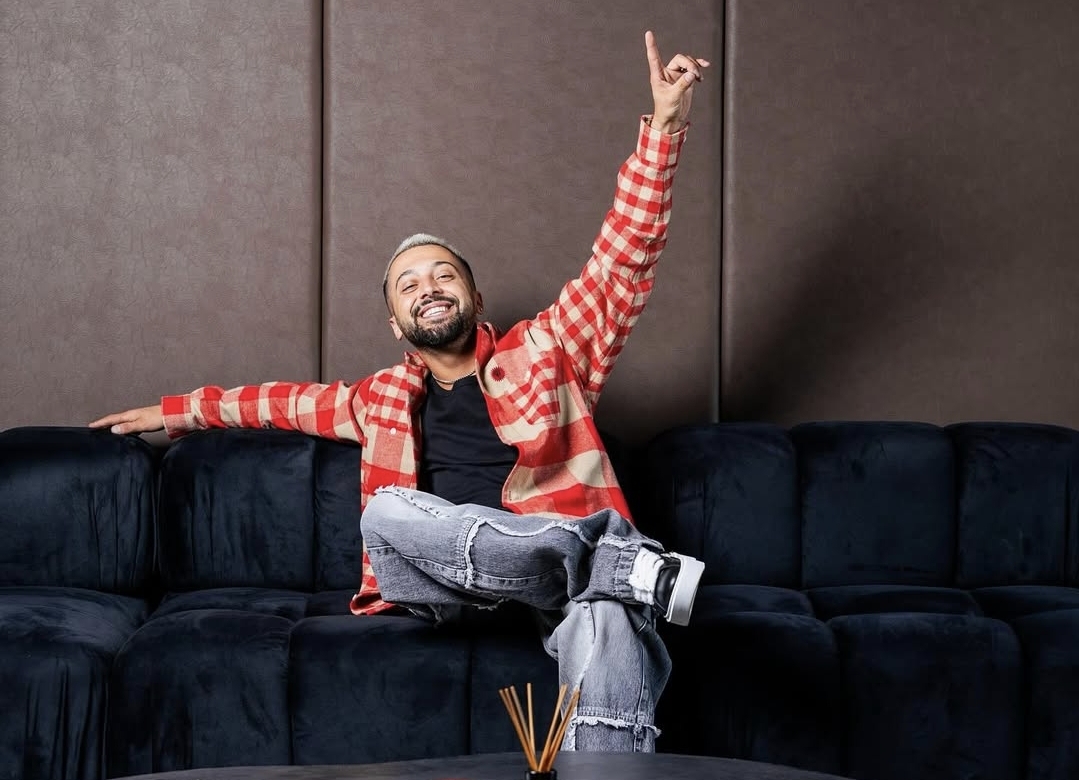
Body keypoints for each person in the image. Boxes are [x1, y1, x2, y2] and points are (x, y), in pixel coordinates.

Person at [91, 30, 709, 753]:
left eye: (444, 275)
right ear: (396, 323)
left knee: (610, 618)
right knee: (386, 512)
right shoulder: (378, 397)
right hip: (442, 587)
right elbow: (272, 402)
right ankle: (613, 561)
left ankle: (606, 670)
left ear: (475, 297)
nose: (429, 288)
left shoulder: (550, 350)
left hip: (555, 588)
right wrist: (175, 413)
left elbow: (622, 260)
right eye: (409, 285)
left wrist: (664, 128)